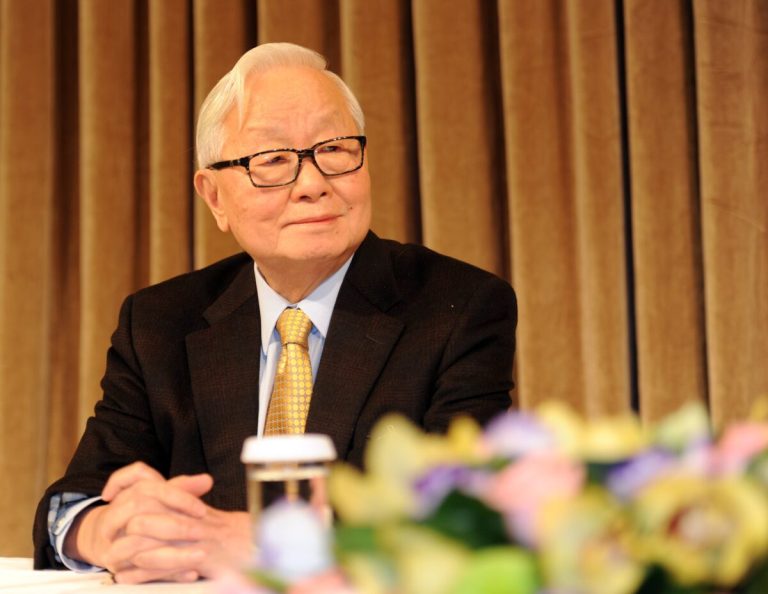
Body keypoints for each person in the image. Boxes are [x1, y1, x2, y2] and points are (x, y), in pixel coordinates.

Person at [33, 42, 517, 583]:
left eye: (335, 149)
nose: (312, 184)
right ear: (214, 197)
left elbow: (464, 516)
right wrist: (105, 529)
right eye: (272, 161)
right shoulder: (160, 322)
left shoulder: (458, 308)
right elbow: (73, 501)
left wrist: (265, 545)